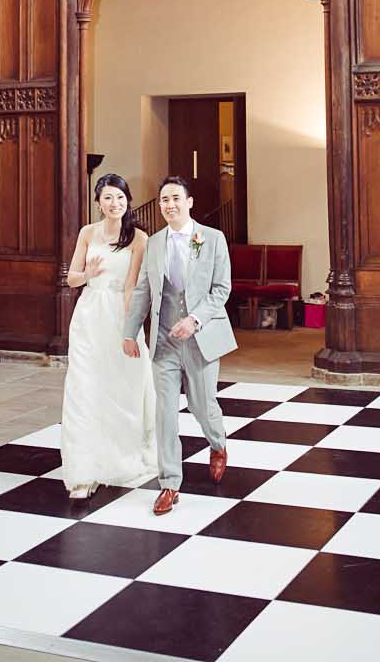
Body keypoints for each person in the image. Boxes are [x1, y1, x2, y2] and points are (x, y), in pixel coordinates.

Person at [122, 176, 237, 516]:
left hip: (200, 339)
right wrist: (130, 331)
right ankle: (170, 484)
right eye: (163, 201)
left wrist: (195, 320)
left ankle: (218, 444)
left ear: (189, 202)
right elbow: (143, 290)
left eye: (175, 198)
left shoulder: (212, 239)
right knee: (165, 413)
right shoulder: (154, 244)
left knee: (203, 406)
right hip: (163, 342)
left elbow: (222, 289)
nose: (168, 205)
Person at [60, 174, 157, 498]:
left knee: (122, 387)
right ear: (98, 202)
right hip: (89, 316)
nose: (114, 204)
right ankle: (83, 470)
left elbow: (132, 286)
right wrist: (88, 274)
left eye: (120, 197)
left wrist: (131, 330)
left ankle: (118, 458)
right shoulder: (88, 233)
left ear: (127, 200)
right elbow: (72, 278)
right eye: (107, 198)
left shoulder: (139, 238)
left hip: (118, 313)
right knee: (85, 389)